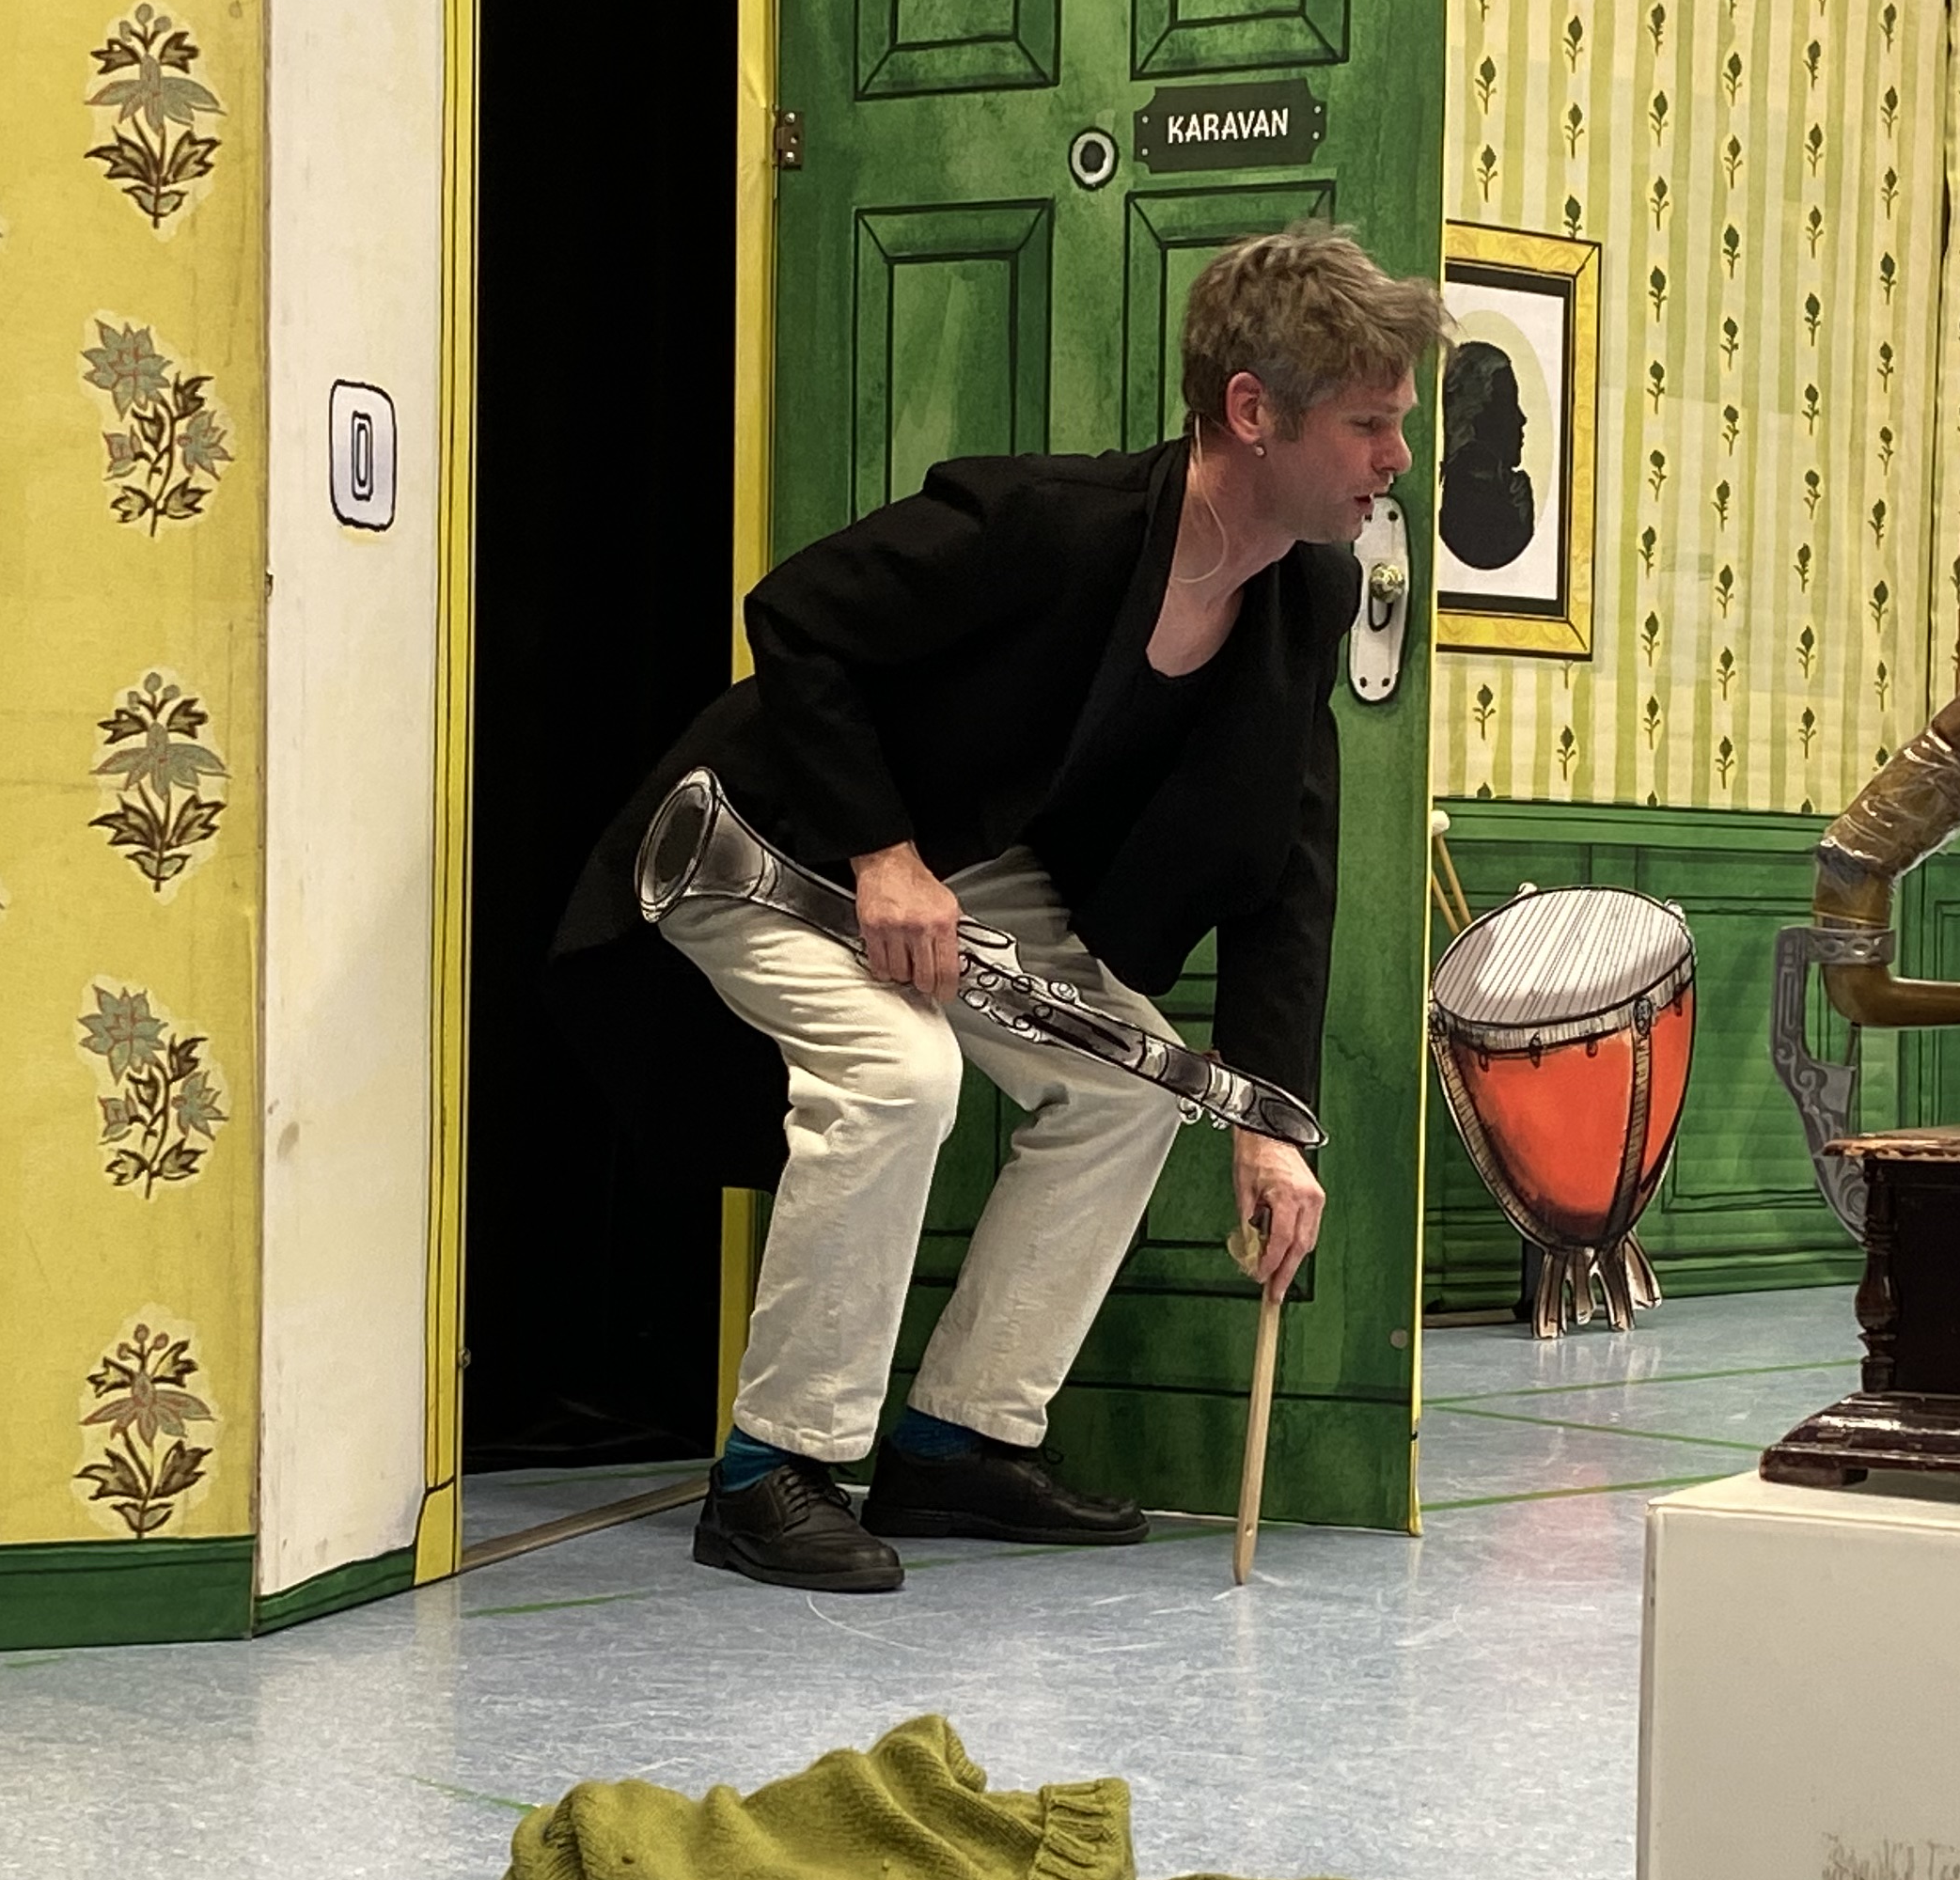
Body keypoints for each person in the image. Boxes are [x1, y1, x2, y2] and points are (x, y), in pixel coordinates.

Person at [558, 224, 1450, 1594]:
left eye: (1400, 423)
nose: (1397, 457)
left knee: (1138, 1085)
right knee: (899, 1073)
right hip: (758, 832)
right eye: (1369, 424)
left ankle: (958, 1440)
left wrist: (1270, 1118)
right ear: (1252, 410)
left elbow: (1287, 857)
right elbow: (796, 616)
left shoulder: (1303, 593)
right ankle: (769, 1469)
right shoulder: (1048, 522)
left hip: (958, 861)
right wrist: (881, 852)